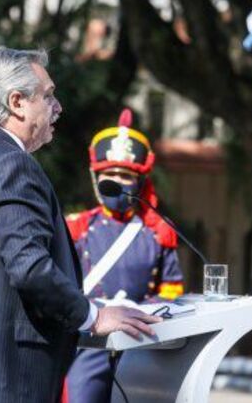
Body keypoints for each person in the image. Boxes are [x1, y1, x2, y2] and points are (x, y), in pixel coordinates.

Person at [0, 48, 161, 403]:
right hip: (3, 377)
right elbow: (30, 267)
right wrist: (93, 316)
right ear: (16, 102)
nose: (57, 106)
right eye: (47, 96)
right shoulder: (11, 164)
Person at [64, 109, 184, 402]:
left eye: (126, 175)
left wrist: (139, 312)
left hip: (141, 343)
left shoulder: (158, 231)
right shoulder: (75, 227)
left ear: (140, 181)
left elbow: (171, 290)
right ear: (97, 178)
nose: (117, 181)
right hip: (89, 343)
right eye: (110, 175)